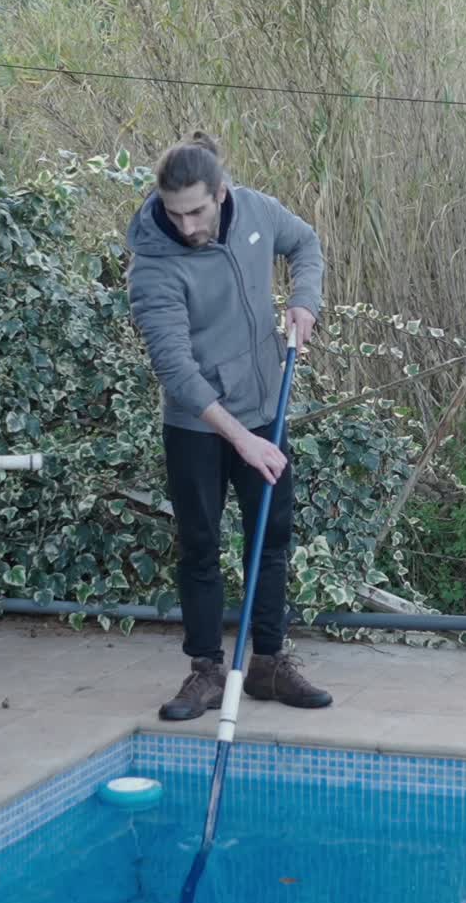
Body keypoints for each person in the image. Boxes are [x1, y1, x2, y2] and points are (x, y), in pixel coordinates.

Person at [127, 131, 332, 721]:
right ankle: (206, 671)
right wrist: (242, 439)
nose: (188, 226)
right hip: (198, 426)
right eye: (175, 212)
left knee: (270, 539)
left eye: (196, 210)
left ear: (221, 192)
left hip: (265, 405)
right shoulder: (154, 265)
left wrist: (304, 303)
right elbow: (178, 373)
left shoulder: (257, 212)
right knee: (199, 545)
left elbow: (306, 244)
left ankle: (267, 663)